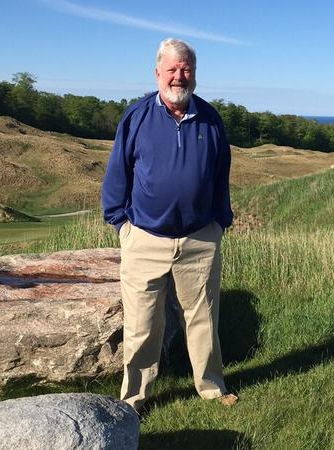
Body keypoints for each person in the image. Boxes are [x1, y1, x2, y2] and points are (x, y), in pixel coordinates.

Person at [101, 38, 237, 412]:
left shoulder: (210, 118)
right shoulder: (137, 116)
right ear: (158, 72)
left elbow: (221, 172)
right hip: (144, 238)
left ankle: (211, 387)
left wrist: (220, 221)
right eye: (172, 69)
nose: (180, 76)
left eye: (187, 69)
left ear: (195, 73)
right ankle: (134, 399)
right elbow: (117, 174)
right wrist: (120, 224)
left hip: (199, 239)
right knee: (142, 325)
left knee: (204, 318)